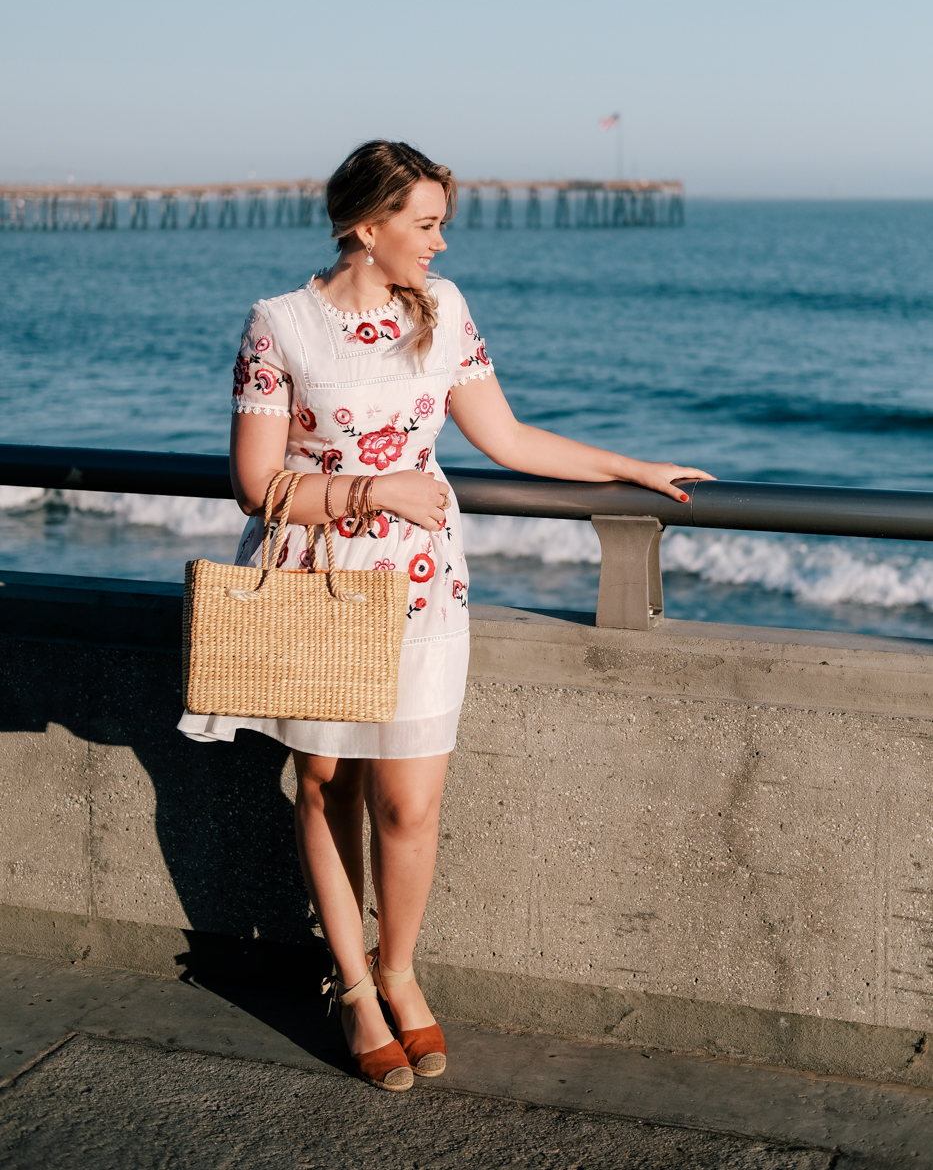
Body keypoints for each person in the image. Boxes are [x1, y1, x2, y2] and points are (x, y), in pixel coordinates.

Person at [178, 139, 714, 1092]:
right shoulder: (280, 327)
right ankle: (352, 990)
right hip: (320, 583)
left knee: (408, 804)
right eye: (423, 226)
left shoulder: (444, 312)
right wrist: (374, 488)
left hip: (424, 589)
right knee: (324, 788)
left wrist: (631, 468)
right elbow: (253, 484)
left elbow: (502, 437)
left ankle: (399, 970)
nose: (438, 246)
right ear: (364, 225)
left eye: (440, 227)